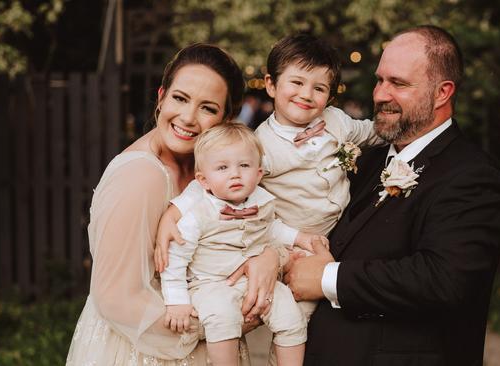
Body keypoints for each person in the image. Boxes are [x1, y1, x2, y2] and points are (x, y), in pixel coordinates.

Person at [283, 25, 500, 365]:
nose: (380, 95)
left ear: (442, 93)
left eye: (398, 84)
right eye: (380, 80)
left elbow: (444, 279)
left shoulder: (473, 177)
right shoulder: (368, 158)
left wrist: (327, 278)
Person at [66, 43, 280, 365]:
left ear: (226, 119)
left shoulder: (211, 172)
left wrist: (269, 256)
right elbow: (116, 298)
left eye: (208, 108)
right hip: (140, 349)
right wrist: (215, 324)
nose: (188, 118)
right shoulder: (141, 175)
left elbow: (248, 229)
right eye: (180, 98)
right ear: (161, 95)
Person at [155, 33, 383, 322]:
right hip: (288, 243)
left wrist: (404, 130)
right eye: (297, 83)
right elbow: (215, 183)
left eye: (319, 88)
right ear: (271, 85)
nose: (306, 94)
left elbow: (371, 132)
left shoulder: (337, 121)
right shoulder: (260, 145)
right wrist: (172, 214)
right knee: (296, 319)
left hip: (339, 235)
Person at [161, 123, 322, 366]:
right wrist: (177, 301)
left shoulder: (262, 202)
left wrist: (300, 238)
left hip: (254, 282)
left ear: (258, 174)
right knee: (222, 318)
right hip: (210, 284)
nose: (235, 174)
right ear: (204, 180)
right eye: (222, 167)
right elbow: (176, 256)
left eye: (244, 166)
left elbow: (271, 228)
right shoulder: (197, 215)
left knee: (290, 314)